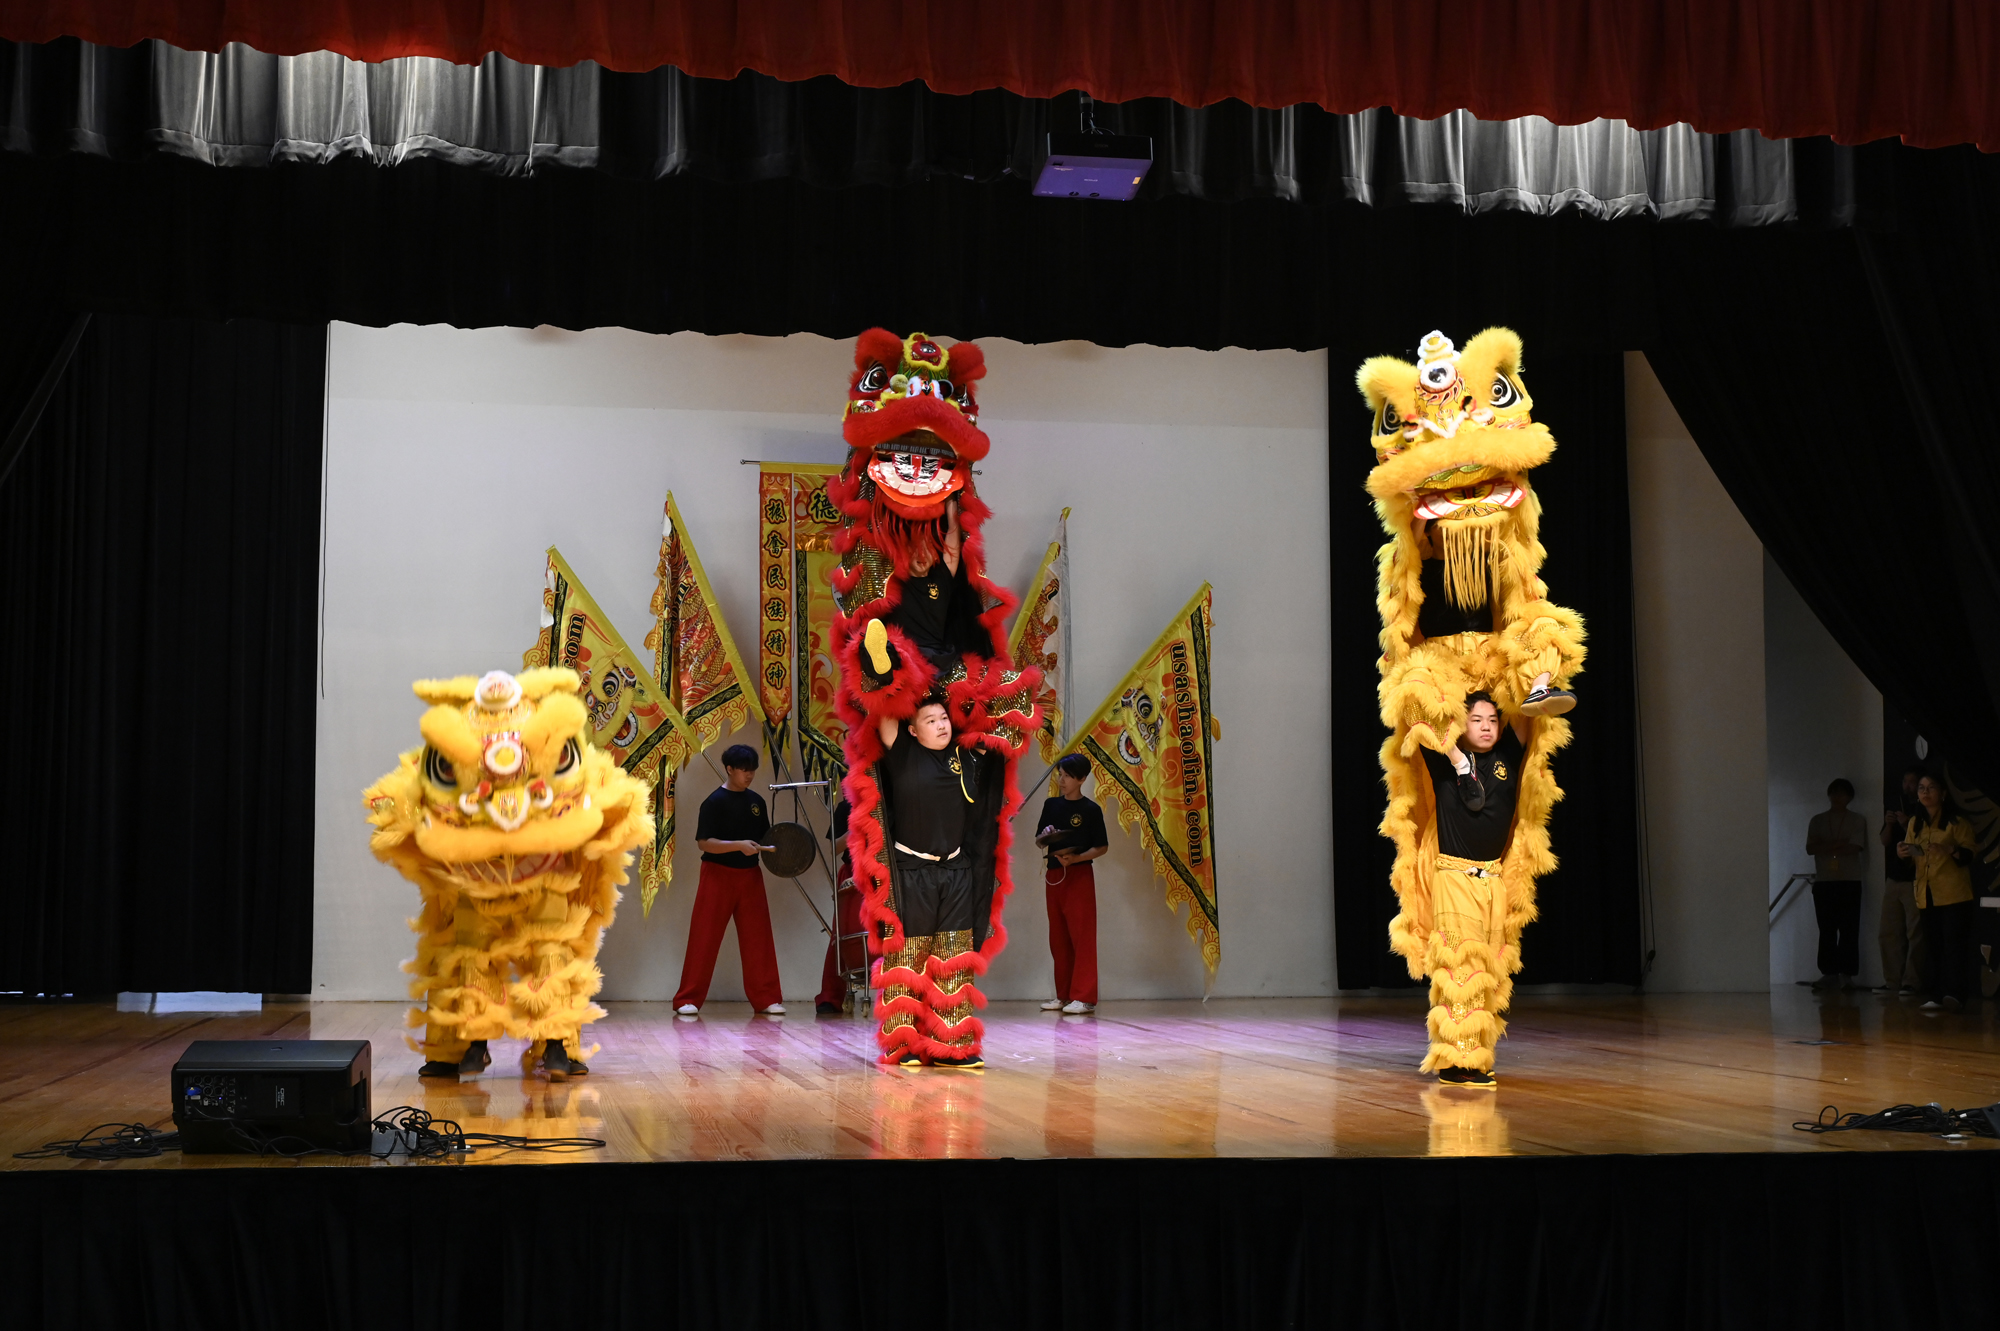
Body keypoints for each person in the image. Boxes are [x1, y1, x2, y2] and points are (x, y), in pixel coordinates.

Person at [872, 694, 1005, 1067]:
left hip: (957, 870)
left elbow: (997, 726)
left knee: (953, 956)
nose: (941, 725)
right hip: (912, 871)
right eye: (930, 721)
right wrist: (889, 675)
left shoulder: (965, 756)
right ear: (913, 730)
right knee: (908, 956)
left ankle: (952, 1045)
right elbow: (883, 710)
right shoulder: (903, 752)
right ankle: (903, 1044)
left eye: (943, 717)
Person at [1415, 691, 1530, 1088]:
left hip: (1493, 881)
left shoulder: (1507, 756)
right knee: (1459, 969)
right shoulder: (1443, 761)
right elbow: (1417, 714)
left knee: (1488, 972)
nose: (1486, 727)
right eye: (1476, 719)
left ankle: (1476, 1056)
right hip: (1454, 878)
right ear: (1461, 725)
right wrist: (1455, 756)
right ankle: (1454, 1062)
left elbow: (1528, 707)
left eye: (1492, 720)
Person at [673, 745, 786, 1016]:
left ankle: (767, 998)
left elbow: (765, 839)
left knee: (758, 937)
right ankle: (687, 999)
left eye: (752, 770)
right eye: (744, 770)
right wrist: (738, 845)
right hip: (717, 875)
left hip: (750, 876)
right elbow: (704, 843)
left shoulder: (757, 802)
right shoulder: (713, 802)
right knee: (704, 937)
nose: (749, 775)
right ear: (730, 769)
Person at [1036, 753, 1110, 1015]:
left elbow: (1102, 847)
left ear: (1082, 779)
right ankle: (1064, 995)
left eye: (1067, 776)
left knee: (1082, 937)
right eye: (1061, 774)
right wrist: (1045, 836)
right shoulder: (1051, 805)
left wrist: (1076, 858)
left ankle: (1084, 998)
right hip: (1054, 875)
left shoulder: (1091, 810)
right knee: (1058, 938)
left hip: (1079, 875)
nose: (1062, 780)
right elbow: (1039, 840)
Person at [1899, 772, 1977, 1012]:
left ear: (1943, 793)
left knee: (1953, 945)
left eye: (1931, 787)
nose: (1925, 792)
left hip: (1953, 893)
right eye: (1921, 788)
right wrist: (1903, 852)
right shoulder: (1915, 822)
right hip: (1926, 892)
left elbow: (1969, 854)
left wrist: (1949, 849)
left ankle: (1956, 994)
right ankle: (1936, 993)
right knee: (1933, 945)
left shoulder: (1957, 822)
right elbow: (1912, 856)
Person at [1805, 778, 1869, 991]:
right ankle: (1828, 973)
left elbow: (1855, 847)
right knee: (1826, 929)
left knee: (1849, 929)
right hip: (1824, 881)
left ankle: (1847, 975)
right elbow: (1810, 848)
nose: (1836, 797)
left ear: (1850, 797)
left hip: (1850, 880)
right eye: (1833, 793)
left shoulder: (1857, 819)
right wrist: (1839, 844)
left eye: (1841, 793)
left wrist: (1826, 846)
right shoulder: (1818, 820)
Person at [1874, 767, 1925, 995]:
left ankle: (1911, 981)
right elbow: (1884, 841)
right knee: (1888, 932)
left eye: (1912, 782)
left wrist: (1907, 825)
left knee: (1915, 933)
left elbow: (1921, 846)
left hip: (1914, 878)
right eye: (1905, 781)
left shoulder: (1922, 811)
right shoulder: (1896, 807)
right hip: (1893, 878)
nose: (1908, 786)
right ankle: (1892, 980)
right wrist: (1890, 824)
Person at [814, 798, 866, 1015]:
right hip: (852, 872)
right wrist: (858, 831)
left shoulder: (891, 801)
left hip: (885, 873)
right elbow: (834, 848)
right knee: (842, 934)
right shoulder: (847, 805)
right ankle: (830, 995)